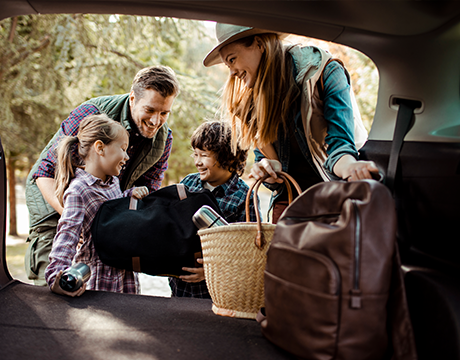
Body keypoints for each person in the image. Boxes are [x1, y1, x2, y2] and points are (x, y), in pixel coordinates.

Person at [203, 23, 380, 223]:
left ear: (259, 44)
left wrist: (352, 169)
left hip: (333, 197)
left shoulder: (324, 71)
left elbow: (341, 147)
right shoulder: (251, 105)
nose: (233, 73)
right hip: (289, 205)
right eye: (228, 66)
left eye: (232, 60)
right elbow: (273, 172)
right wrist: (267, 169)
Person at [25, 65, 180, 285]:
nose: (156, 121)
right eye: (150, 110)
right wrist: (80, 223)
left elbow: (148, 194)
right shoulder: (91, 112)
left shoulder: (164, 140)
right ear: (133, 98)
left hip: (103, 217)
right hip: (56, 207)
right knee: (54, 291)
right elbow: (44, 172)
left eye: (164, 113)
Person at [46, 113, 149, 297]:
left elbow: (111, 210)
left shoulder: (113, 182)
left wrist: (128, 195)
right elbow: (67, 236)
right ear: (100, 148)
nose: (126, 157)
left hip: (123, 275)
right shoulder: (79, 190)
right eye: (123, 149)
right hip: (99, 279)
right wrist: (56, 277)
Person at [169, 120, 260, 299]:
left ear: (228, 157)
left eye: (204, 155)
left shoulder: (245, 197)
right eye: (195, 154)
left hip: (217, 292)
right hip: (180, 288)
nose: (197, 162)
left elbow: (248, 252)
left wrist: (210, 271)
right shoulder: (188, 183)